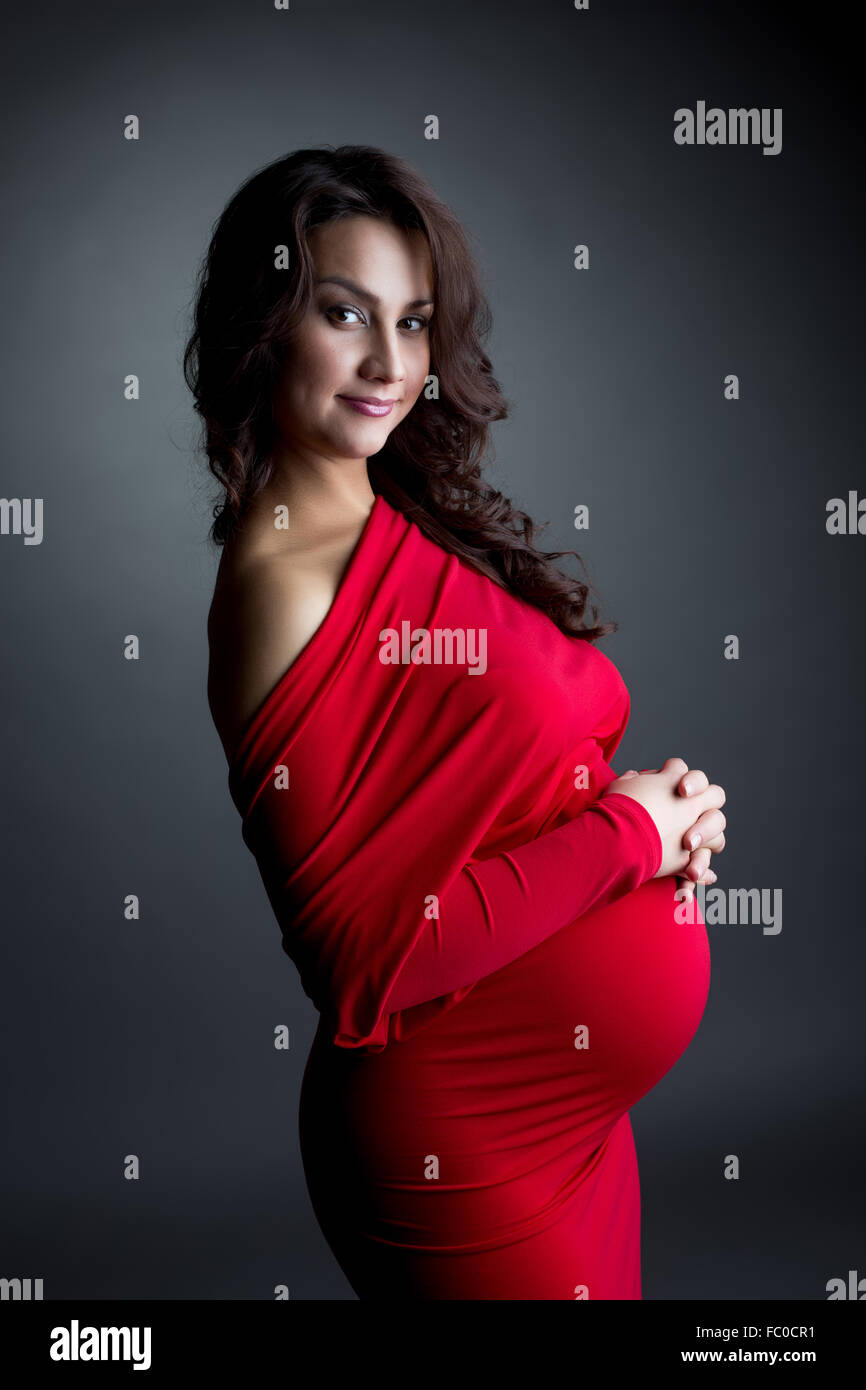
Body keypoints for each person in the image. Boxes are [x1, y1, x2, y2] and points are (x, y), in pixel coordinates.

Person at [185, 145, 726, 1299]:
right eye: (345, 314)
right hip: (463, 1141)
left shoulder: (393, 516)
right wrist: (626, 841)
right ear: (266, 322)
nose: (389, 363)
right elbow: (369, 956)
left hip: (564, 1112)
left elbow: (494, 810)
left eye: (414, 322)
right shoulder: (284, 580)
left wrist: (658, 831)